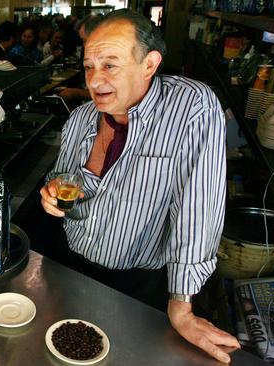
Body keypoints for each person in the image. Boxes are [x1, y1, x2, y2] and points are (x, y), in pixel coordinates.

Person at [39, 9, 240, 364]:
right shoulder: (81, 119)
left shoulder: (190, 107)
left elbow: (197, 208)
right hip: (69, 267)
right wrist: (52, 192)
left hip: (141, 283)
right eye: (89, 66)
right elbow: (66, 183)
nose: (94, 79)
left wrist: (181, 304)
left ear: (149, 64)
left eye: (110, 65)